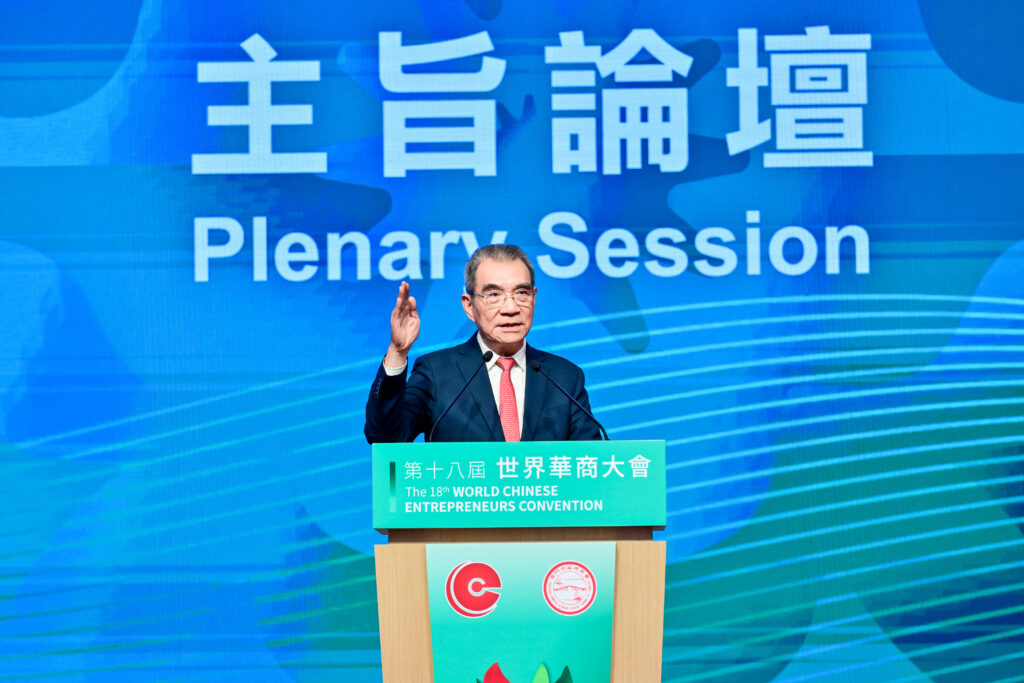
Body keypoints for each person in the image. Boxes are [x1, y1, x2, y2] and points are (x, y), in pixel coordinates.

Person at [364, 244, 602, 443]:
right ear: (469, 306)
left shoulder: (565, 377)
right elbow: (384, 438)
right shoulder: (436, 372)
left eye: (521, 292)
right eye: (494, 295)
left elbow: (591, 465)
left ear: (534, 297)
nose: (510, 308)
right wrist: (397, 352)